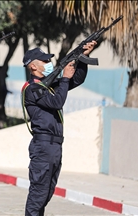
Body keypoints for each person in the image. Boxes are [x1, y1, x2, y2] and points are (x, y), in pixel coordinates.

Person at [21, 41, 97, 216]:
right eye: (45, 62)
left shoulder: (49, 86)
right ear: (33, 66)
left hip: (54, 147)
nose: (50, 64)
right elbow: (57, 102)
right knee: (38, 195)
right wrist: (63, 79)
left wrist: (83, 58)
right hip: (43, 146)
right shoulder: (32, 89)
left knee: (47, 193)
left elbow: (76, 79)